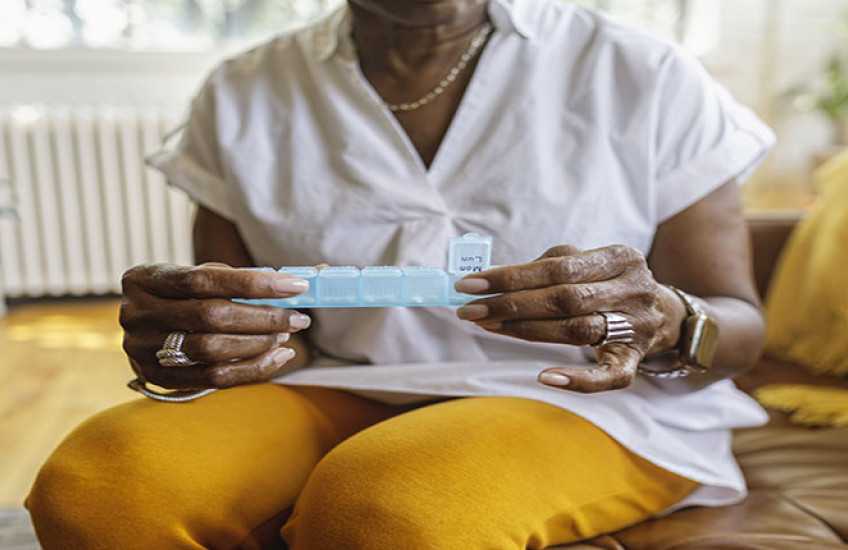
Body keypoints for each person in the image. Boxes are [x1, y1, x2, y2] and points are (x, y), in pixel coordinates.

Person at [26, 0, 776, 547]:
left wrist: (670, 317)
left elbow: (738, 325)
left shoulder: (641, 72)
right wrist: (206, 341)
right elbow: (277, 334)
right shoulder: (244, 91)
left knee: (389, 505)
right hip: (339, 383)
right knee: (100, 487)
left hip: (591, 403)